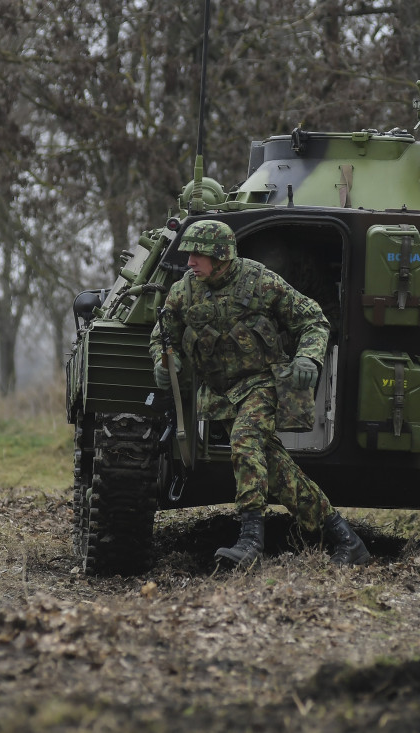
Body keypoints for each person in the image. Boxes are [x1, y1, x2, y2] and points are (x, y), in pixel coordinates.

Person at [148, 220, 370, 568]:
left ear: (221, 257)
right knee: (278, 471)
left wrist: (308, 356)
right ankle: (346, 538)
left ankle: (251, 540)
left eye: (198, 254)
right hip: (221, 396)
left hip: (262, 383)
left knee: (245, 440)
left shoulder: (260, 281)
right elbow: (164, 339)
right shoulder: (183, 292)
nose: (190, 261)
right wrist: (165, 363)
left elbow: (313, 319)